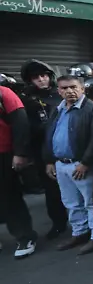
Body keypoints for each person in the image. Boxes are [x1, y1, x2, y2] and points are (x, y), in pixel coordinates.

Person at [44, 75, 93, 255]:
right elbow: (50, 135)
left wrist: (85, 163)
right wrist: (49, 160)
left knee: (91, 202)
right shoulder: (58, 110)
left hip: (81, 165)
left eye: (73, 87)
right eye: (64, 88)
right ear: (59, 91)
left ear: (82, 89)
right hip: (61, 164)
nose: (69, 91)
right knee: (71, 202)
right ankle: (80, 232)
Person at [19, 59, 68, 239]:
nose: (41, 80)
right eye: (36, 77)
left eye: (44, 75)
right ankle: (58, 223)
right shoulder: (26, 99)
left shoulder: (60, 94)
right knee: (52, 190)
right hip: (43, 151)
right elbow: (24, 127)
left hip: (66, 148)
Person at [0, 84, 38, 259]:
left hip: (4, 154)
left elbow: (20, 123)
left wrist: (20, 153)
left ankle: (25, 237)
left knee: (9, 196)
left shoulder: (4, 93)